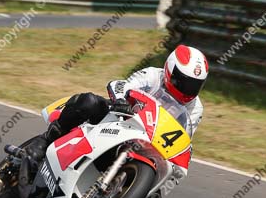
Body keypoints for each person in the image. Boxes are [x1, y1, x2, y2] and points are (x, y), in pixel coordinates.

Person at [24, 45, 208, 168]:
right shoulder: (153, 76)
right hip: (119, 119)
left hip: (147, 144)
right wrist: (121, 100)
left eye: (194, 85)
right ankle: (45, 141)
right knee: (89, 101)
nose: (188, 89)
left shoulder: (195, 108)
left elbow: (183, 139)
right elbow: (121, 84)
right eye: (183, 82)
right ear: (169, 70)